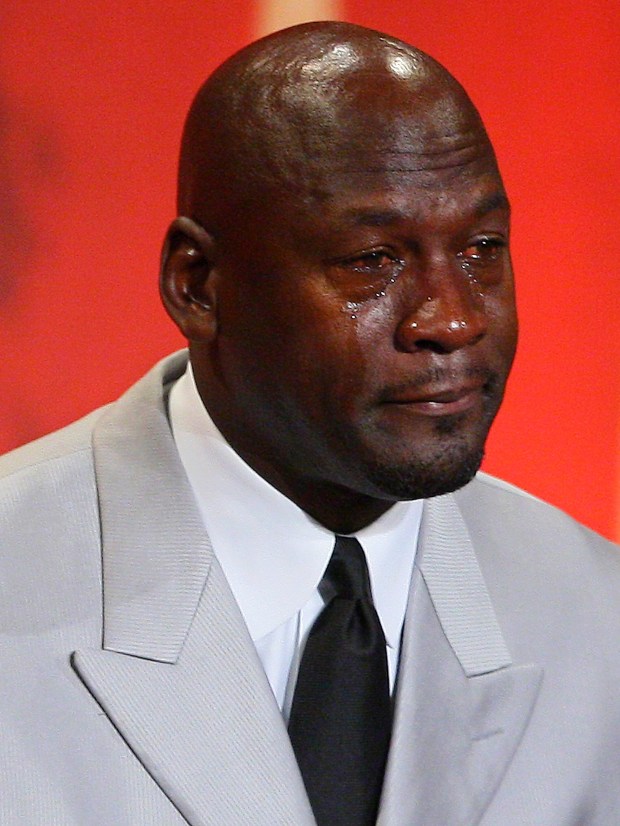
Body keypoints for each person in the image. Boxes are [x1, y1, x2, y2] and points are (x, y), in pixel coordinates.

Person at [0, 20, 619, 826]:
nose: (455, 320)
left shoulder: (597, 617)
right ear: (199, 285)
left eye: (482, 248)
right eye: (372, 260)